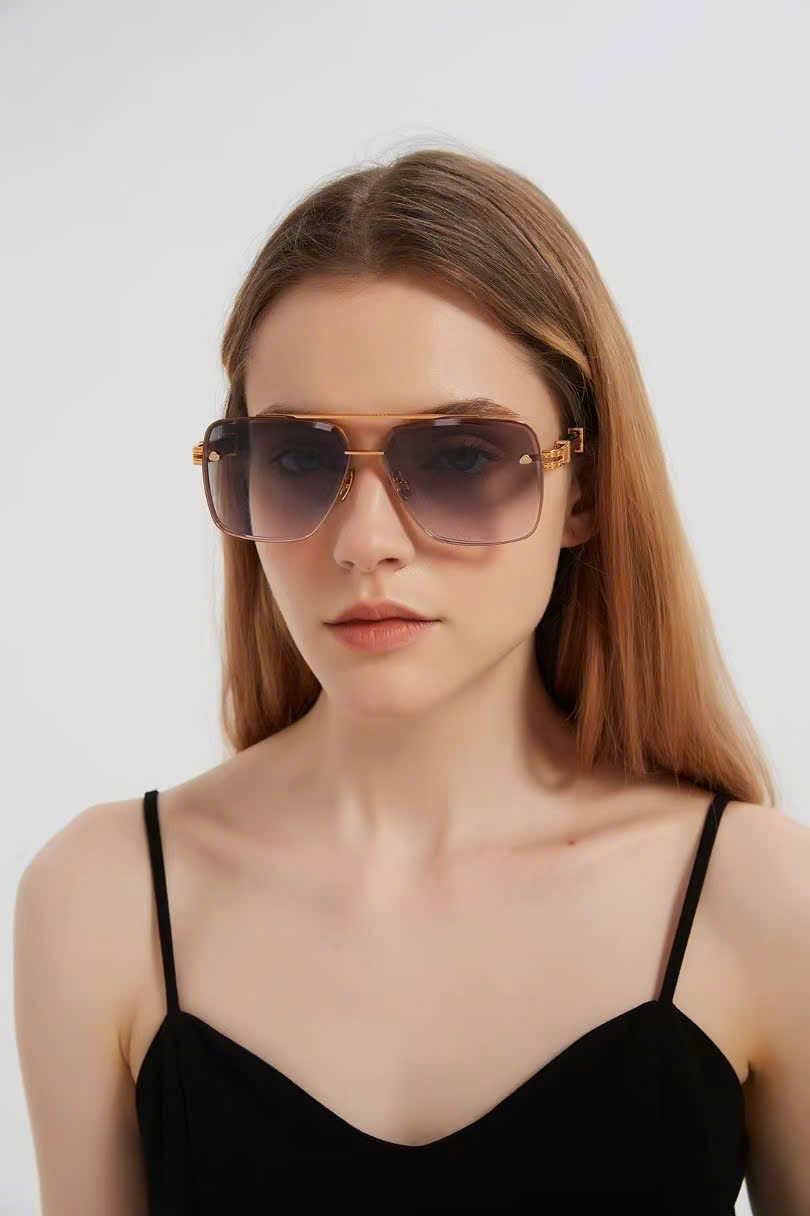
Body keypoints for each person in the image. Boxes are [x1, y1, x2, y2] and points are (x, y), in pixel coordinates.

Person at [14, 146, 809, 1212]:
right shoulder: (105, 900)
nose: (365, 543)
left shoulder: (758, 900)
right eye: (299, 457)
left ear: (582, 489)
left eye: (460, 456)